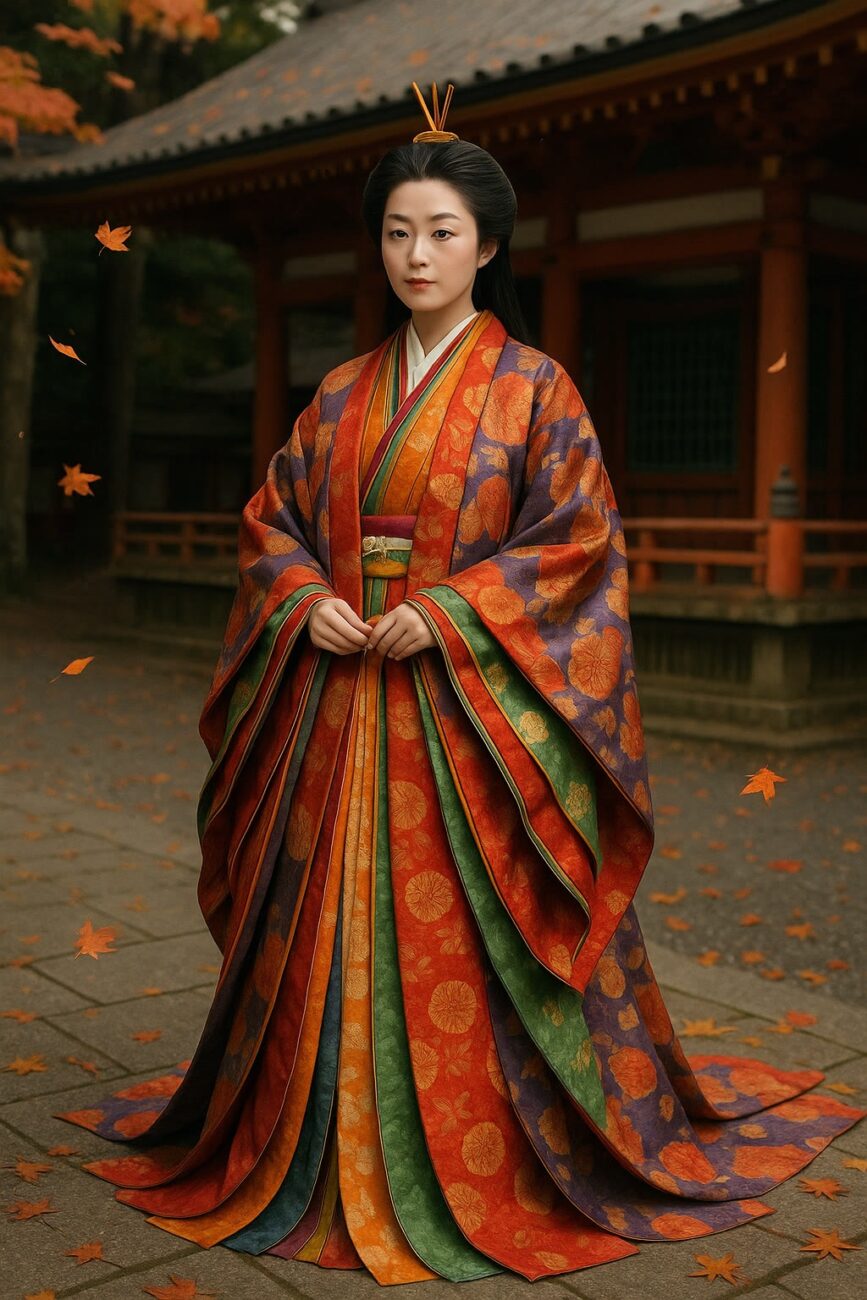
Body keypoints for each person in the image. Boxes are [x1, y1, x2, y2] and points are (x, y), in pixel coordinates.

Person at [55, 83, 864, 1286]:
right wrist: (298, 599)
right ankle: (312, 1136)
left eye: (440, 231)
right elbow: (271, 521)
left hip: (470, 715)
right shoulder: (337, 397)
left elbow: (576, 541)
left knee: (479, 929)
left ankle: (501, 1148)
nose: (415, 253)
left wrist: (447, 609)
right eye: (395, 231)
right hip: (338, 704)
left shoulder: (536, 388)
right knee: (321, 925)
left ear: (489, 244)